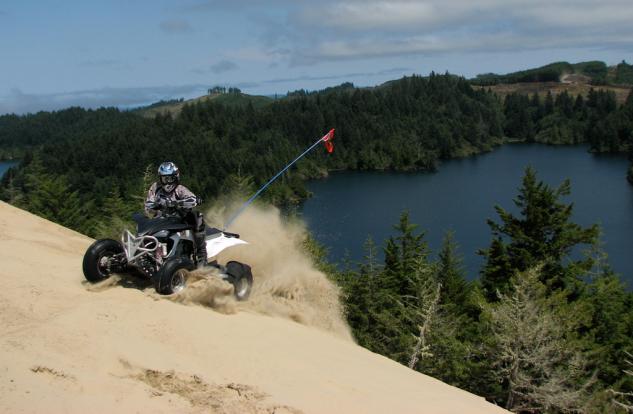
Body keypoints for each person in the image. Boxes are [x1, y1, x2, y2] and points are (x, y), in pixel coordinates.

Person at [145, 161, 207, 265]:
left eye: (170, 178)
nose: (167, 182)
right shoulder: (156, 189)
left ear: (176, 177)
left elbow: (191, 198)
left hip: (179, 220)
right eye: (164, 179)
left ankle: (201, 255)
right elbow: (148, 204)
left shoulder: (180, 189)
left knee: (197, 216)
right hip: (160, 221)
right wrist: (156, 206)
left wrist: (192, 201)